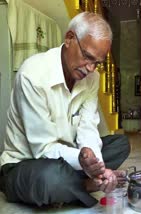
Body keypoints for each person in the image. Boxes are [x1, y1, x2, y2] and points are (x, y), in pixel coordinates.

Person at [0, 12, 130, 208]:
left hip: (69, 156)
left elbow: (87, 127)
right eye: (87, 57)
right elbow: (42, 149)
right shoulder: (32, 75)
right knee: (50, 178)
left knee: (121, 143)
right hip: (27, 163)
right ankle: (84, 186)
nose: (90, 68)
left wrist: (94, 163)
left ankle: (72, 184)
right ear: (69, 38)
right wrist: (84, 162)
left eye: (97, 63)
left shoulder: (91, 79)